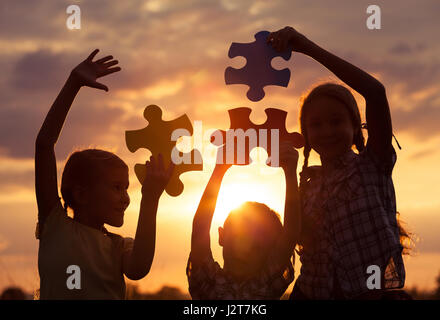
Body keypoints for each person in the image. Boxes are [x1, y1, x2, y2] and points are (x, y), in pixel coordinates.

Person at [267, 27, 410, 299]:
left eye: (336, 121)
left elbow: (375, 92)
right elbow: (291, 237)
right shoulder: (306, 187)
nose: (327, 131)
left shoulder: (372, 166)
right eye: (317, 125)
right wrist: (287, 173)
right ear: (306, 136)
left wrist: (307, 47)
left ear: (356, 127)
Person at [35, 49, 174, 299]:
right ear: (82, 194)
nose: (125, 197)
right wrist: (73, 84)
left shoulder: (119, 246)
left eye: (126, 188)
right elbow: (45, 144)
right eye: (116, 187)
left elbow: (138, 269)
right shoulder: (54, 225)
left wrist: (151, 197)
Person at [187, 147, 298, 299]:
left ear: (271, 251)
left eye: (257, 247)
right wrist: (219, 171)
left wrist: (291, 173)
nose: (245, 251)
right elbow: (200, 228)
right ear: (222, 236)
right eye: (238, 239)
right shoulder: (208, 280)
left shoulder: (266, 282)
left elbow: (290, 235)